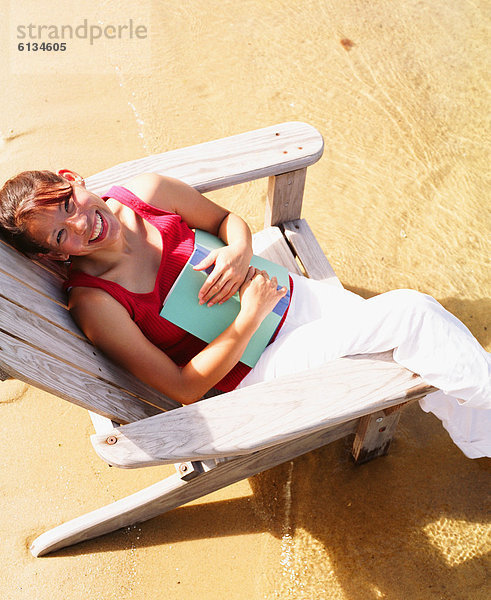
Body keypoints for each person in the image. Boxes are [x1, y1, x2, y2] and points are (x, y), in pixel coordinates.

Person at [0, 170, 489, 458]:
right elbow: (184, 387)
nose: (81, 222)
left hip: (293, 296)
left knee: (422, 348)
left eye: (67, 203)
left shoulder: (147, 195)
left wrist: (238, 250)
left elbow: (223, 220)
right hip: (258, 365)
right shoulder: (96, 303)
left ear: (72, 179)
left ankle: (481, 436)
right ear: (51, 256)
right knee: (414, 314)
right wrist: (248, 318)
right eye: (60, 234)